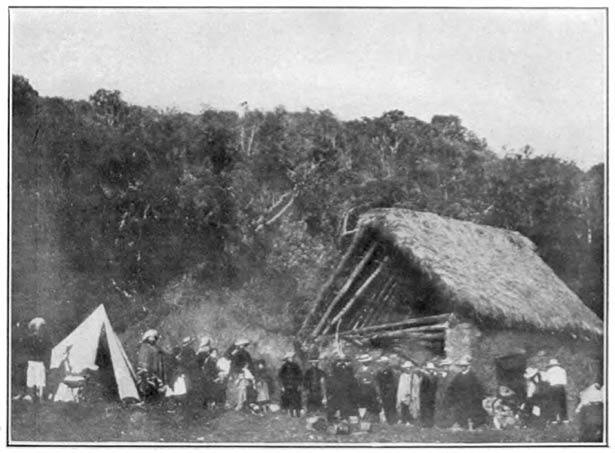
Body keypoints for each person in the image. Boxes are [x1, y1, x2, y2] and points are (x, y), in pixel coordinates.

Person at [443, 357, 487, 429]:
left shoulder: (472, 376)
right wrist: (450, 395)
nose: (462, 367)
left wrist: (479, 396)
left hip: (471, 398)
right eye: (461, 366)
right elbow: (452, 386)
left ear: (467, 366)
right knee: (461, 412)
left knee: (472, 412)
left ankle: (474, 425)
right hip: (461, 398)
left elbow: (478, 387)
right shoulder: (458, 376)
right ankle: (463, 425)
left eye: (464, 366)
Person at [23, 317, 52, 402]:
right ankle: (38, 398)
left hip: (35, 361)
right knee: (38, 381)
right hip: (36, 362)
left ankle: (35, 397)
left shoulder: (32, 339)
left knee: (35, 380)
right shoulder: (42, 340)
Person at [326, 355, 359, 422]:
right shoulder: (333, 377)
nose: (342, 364)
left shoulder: (351, 376)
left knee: (348, 413)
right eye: (340, 362)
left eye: (344, 362)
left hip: (347, 397)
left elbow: (355, 390)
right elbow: (329, 390)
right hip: (337, 397)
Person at [137, 329, 166, 400]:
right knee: (149, 389)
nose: (155, 339)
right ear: (148, 338)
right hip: (148, 372)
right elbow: (143, 361)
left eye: (156, 338)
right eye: (153, 337)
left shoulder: (155, 348)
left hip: (156, 371)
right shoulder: (145, 347)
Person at [225, 339, 254, 410]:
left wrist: (245, 368)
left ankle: (239, 404)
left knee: (241, 389)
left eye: (243, 345)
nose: (241, 346)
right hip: (235, 372)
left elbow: (249, 363)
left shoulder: (244, 353)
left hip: (240, 372)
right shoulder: (236, 352)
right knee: (236, 388)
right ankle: (236, 404)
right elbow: (228, 357)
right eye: (240, 345)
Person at [355, 354, 381, 421]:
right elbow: (357, 379)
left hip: (371, 389)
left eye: (367, 361)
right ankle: (364, 418)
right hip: (362, 389)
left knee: (373, 404)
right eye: (364, 361)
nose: (365, 362)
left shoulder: (373, 369)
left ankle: (374, 418)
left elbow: (376, 380)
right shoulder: (359, 370)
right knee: (363, 404)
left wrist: (377, 391)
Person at [543, 358, 568, 423]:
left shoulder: (549, 371)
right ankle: (564, 418)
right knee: (562, 403)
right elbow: (565, 381)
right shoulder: (563, 370)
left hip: (553, 387)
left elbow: (547, 380)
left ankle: (553, 419)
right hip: (561, 387)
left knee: (553, 402)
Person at [279, 352, 303, 417]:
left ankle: (298, 413)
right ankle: (291, 413)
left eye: (291, 358)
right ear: (287, 359)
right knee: (289, 399)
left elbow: (300, 375)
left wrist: (299, 384)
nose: (291, 359)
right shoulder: (284, 367)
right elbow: (280, 376)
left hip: (295, 385)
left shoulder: (295, 366)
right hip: (287, 385)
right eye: (289, 358)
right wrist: (282, 386)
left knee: (296, 399)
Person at [376, 356, 398, 424]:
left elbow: (393, 381)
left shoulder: (390, 371)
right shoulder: (379, 371)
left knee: (391, 405)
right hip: (383, 390)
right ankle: (388, 419)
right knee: (385, 405)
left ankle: (392, 420)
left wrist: (390, 388)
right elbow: (378, 381)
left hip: (390, 390)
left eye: (384, 363)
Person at [419, 362, 438, 428]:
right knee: (425, 410)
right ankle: (425, 423)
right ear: (428, 369)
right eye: (430, 369)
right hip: (425, 397)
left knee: (431, 410)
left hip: (432, 396)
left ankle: (430, 424)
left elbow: (435, 387)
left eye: (432, 369)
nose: (431, 370)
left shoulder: (435, 377)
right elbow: (422, 388)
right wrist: (423, 397)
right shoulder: (425, 377)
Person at [396, 361, 415, 425]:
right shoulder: (402, 376)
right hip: (403, 392)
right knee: (403, 406)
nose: (408, 369)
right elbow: (401, 385)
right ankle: (403, 419)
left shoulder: (412, 376)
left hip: (410, 393)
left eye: (409, 368)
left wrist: (411, 392)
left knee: (409, 407)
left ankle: (408, 420)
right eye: (407, 368)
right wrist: (402, 394)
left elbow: (414, 385)